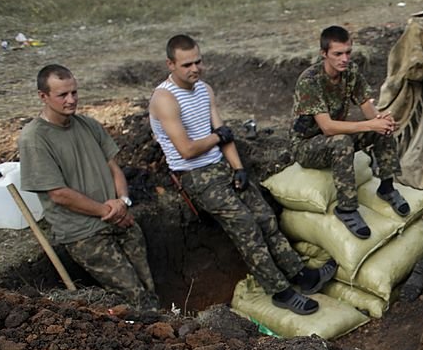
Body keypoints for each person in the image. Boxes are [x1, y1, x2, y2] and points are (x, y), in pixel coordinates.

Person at [149, 34, 335, 315]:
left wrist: (238, 168)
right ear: (170, 64)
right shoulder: (164, 99)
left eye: (198, 61)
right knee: (246, 226)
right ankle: (279, 291)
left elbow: (225, 134)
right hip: (195, 174)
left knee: (266, 217)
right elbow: (187, 149)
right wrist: (217, 137)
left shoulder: (204, 90)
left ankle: (301, 275)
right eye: (187, 64)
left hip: (221, 165)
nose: (195, 69)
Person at [20, 64, 159, 310]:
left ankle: (163, 324)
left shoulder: (88, 124)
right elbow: (59, 194)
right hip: (84, 233)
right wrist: (110, 212)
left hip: (119, 218)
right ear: (43, 96)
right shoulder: (34, 138)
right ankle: (153, 335)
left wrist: (123, 202)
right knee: (133, 294)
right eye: (62, 95)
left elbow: (115, 168)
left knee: (148, 285)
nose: (71, 100)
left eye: (74, 92)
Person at [291, 25, 409, 239]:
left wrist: (380, 120)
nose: (344, 59)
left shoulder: (350, 72)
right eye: (337, 54)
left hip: (336, 135)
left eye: (348, 52)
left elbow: (366, 106)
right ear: (323, 54)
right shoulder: (309, 81)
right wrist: (370, 124)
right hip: (307, 145)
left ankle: (387, 186)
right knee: (341, 141)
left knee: (381, 129)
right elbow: (327, 127)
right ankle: (346, 208)